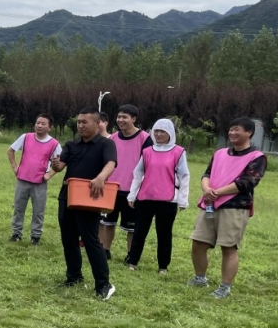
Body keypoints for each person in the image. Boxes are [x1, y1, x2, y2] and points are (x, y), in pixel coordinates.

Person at [187, 116, 267, 299]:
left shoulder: (257, 157)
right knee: (198, 243)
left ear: (249, 132)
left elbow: (247, 182)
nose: (232, 132)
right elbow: (207, 174)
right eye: (231, 129)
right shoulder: (220, 153)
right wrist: (206, 189)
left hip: (235, 208)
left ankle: (225, 287)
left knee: (228, 247)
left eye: (237, 129)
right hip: (209, 204)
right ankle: (200, 278)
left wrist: (217, 192)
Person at [50, 107, 118, 300]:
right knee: (68, 239)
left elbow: (111, 163)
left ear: (97, 123)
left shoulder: (106, 144)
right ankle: (74, 277)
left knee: (90, 240)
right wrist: (56, 165)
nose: (80, 125)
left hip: (90, 198)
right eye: (78, 122)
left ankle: (103, 284)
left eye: (84, 122)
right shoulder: (72, 144)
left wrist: (101, 177)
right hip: (68, 197)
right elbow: (60, 166)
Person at [126, 119, 190, 274]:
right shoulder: (147, 151)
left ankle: (163, 266)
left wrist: (183, 200)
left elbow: (184, 176)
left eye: (163, 132)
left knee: (164, 234)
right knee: (139, 232)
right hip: (145, 198)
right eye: (157, 131)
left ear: (170, 134)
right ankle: (133, 261)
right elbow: (138, 173)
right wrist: (132, 195)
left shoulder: (178, 152)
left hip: (168, 200)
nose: (159, 134)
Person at [99, 104, 152, 262]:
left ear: (133, 119)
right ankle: (105, 251)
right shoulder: (113, 138)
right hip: (111, 188)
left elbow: (149, 163)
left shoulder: (145, 138)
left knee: (132, 227)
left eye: (124, 117)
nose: (120, 120)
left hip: (132, 190)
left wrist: (140, 188)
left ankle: (130, 254)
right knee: (108, 222)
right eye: (119, 117)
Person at [7, 114, 61, 244]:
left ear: (50, 127)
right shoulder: (26, 137)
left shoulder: (54, 144)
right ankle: (16, 234)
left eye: (43, 124)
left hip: (39, 183)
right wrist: (15, 167)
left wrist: (50, 174)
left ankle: (35, 236)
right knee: (18, 209)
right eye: (38, 123)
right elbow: (10, 150)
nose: (39, 126)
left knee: (38, 211)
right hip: (22, 179)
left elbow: (61, 162)